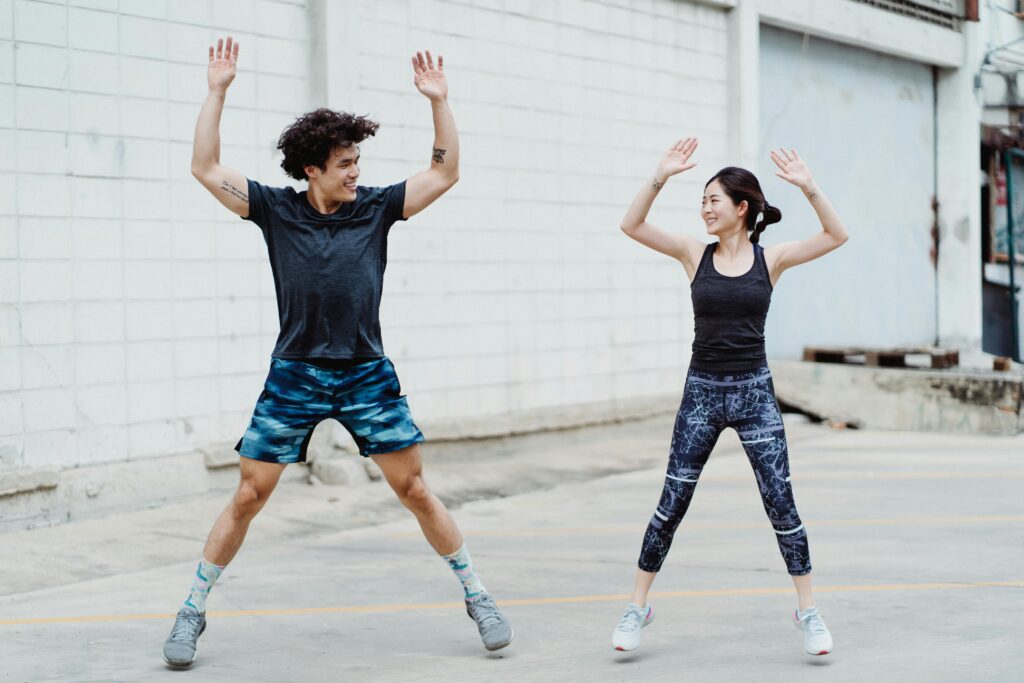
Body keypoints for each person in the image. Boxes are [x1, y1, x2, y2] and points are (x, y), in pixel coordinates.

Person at [161, 37, 513, 668]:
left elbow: (445, 171)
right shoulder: (273, 209)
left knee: (415, 490)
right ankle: (192, 611)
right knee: (248, 494)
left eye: (357, 160)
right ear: (312, 170)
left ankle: (477, 594)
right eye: (345, 162)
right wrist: (216, 92)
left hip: (366, 374)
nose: (356, 171)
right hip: (294, 372)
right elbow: (206, 168)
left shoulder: (376, 208)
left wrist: (440, 102)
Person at [611, 138, 849, 656]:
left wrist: (809, 186)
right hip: (701, 392)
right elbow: (631, 225)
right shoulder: (693, 253)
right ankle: (637, 607)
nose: (705, 209)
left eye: (713, 200)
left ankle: (808, 611)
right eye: (701, 201)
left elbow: (837, 234)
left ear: (741, 208)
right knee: (672, 502)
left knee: (780, 501)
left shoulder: (774, 259)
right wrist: (659, 175)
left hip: (755, 393)